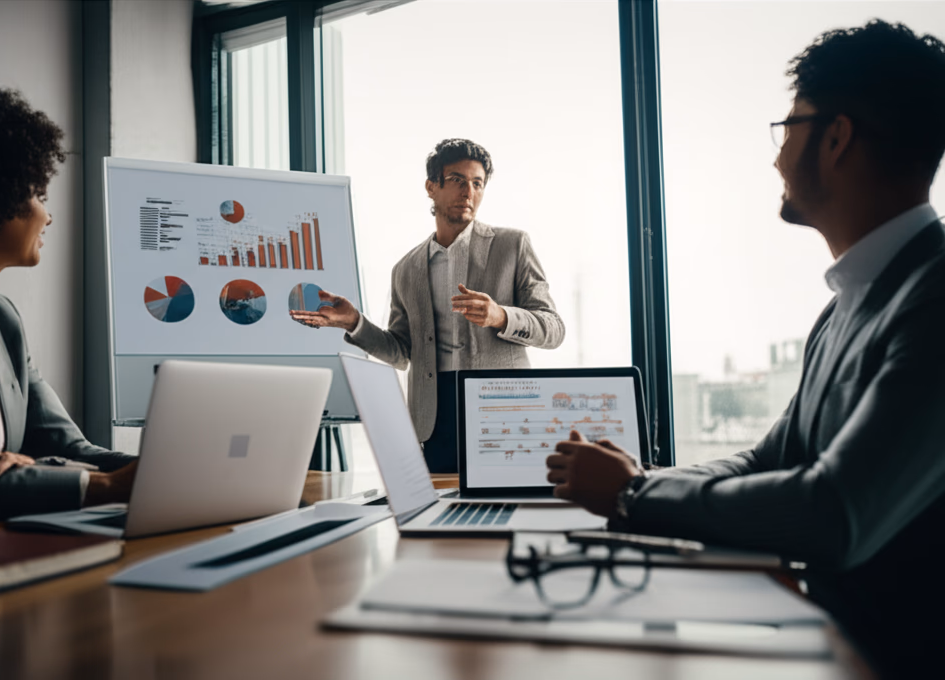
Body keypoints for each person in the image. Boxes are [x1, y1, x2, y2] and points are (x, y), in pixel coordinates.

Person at [545, 20, 945, 675]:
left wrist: (631, 497)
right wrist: (638, 483)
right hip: (832, 639)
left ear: (837, 138)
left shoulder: (934, 299)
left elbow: (834, 512)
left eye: (788, 129)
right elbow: (769, 460)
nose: (777, 155)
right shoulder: (849, 303)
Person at [0, 83, 137, 524]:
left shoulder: (0, 317)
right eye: (39, 195)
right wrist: (107, 487)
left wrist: (160, 470)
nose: (48, 215)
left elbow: (67, 448)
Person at [292, 139, 564, 472]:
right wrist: (354, 323)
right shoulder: (406, 269)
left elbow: (553, 329)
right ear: (431, 187)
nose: (468, 191)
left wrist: (501, 316)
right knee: (444, 519)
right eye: (457, 180)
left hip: (504, 413)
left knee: (506, 512)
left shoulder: (513, 245)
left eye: (477, 183)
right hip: (433, 421)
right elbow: (401, 353)